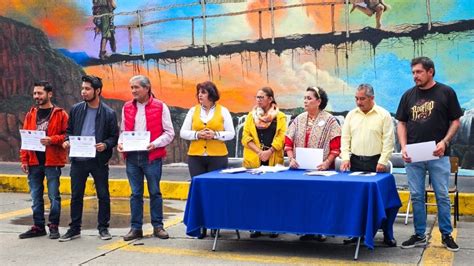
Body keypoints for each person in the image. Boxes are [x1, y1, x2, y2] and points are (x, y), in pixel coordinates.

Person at [396, 57, 462, 252]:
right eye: (413, 73)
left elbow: (456, 120)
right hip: (414, 155)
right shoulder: (408, 96)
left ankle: (446, 235)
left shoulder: (446, 92)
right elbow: (401, 122)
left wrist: (444, 142)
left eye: (419, 72)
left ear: (430, 71)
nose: (415, 76)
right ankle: (419, 235)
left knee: (442, 195)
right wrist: (403, 146)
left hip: (438, 154)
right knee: (416, 195)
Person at [59, 75, 119, 242]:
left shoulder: (108, 113)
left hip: (98, 160)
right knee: (76, 195)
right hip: (78, 159)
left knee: (103, 195)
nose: (83, 92)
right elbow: (69, 131)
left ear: (97, 91)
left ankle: (103, 228)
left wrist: (105, 145)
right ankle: (74, 228)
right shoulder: (76, 109)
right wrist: (66, 141)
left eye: (87, 89)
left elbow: (114, 137)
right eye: (82, 88)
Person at [118, 75, 175, 241]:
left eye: (136, 87)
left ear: (147, 87)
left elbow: (169, 132)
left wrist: (155, 144)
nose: (133, 91)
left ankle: (158, 227)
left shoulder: (160, 106)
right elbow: (123, 131)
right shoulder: (127, 107)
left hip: (152, 155)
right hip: (132, 156)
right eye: (132, 88)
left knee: (155, 192)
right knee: (135, 194)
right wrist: (121, 143)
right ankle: (136, 228)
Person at [339, 83, 396, 247]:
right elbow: (345, 139)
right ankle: (354, 232)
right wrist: (345, 158)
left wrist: (383, 161)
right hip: (355, 162)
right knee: (354, 199)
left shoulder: (383, 115)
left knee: (382, 201)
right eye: (356, 98)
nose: (358, 102)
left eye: (362, 99)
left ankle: (387, 233)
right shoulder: (351, 115)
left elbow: (388, 141)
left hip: (376, 163)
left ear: (372, 98)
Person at [285, 86, 341, 242]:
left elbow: (336, 146)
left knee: (320, 199)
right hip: (300, 169)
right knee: (303, 198)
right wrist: (291, 158)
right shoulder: (299, 119)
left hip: (322, 169)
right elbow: (288, 141)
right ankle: (305, 229)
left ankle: (321, 230)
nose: (305, 101)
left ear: (319, 101)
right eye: (304, 98)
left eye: (309, 98)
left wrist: (327, 162)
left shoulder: (330, 121)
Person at [180, 81, 235, 239]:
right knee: (199, 191)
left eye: (203, 92)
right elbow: (183, 132)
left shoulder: (223, 111)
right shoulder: (193, 111)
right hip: (196, 156)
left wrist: (216, 135)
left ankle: (215, 225)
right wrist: (197, 135)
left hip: (217, 157)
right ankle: (200, 225)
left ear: (211, 94)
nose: (200, 95)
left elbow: (231, 133)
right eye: (198, 92)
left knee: (215, 191)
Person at [19, 81, 68, 240]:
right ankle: (38, 226)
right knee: (35, 196)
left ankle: (53, 225)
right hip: (34, 162)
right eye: (35, 93)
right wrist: (24, 160)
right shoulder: (30, 114)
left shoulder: (60, 114)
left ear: (49, 94)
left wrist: (52, 140)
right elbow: (25, 139)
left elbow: (67, 136)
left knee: (54, 195)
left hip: (52, 162)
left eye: (40, 93)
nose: (36, 96)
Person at [241, 87, 286, 239]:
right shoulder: (250, 116)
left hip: (272, 158)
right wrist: (259, 152)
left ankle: (274, 226)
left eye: (261, 97)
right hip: (255, 157)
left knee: (273, 193)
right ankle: (255, 226)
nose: (258, 99)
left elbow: (281, 137)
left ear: (270, 99)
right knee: (254, 193)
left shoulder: (279, 116)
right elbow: (245, 137)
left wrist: (270, 151)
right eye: (257, 97)